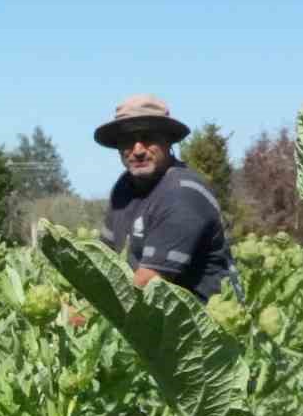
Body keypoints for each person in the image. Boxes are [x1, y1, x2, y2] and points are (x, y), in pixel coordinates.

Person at [94, 94, 239, 303]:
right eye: (127, 140)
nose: (138, 150)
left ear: (168, 140)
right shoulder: (124, 188)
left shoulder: (183, 193)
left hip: (207, 325)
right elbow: (102, 261)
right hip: (151, 321)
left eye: (148, 137)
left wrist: (84, 315)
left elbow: (147, 283)